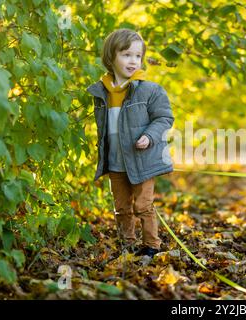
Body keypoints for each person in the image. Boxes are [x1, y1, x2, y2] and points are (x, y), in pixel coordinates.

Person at [86, 29, 174, 258]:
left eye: (137, 55)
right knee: (122, 207)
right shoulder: (102, 92)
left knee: (143, 206)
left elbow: (164, 118)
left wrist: (150, 135)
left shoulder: (149, 90)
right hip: (115, 161)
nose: (133, 61)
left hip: (141, 160)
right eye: (126, 54)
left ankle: (151, 246)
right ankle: (127, 243)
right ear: (111, 57)